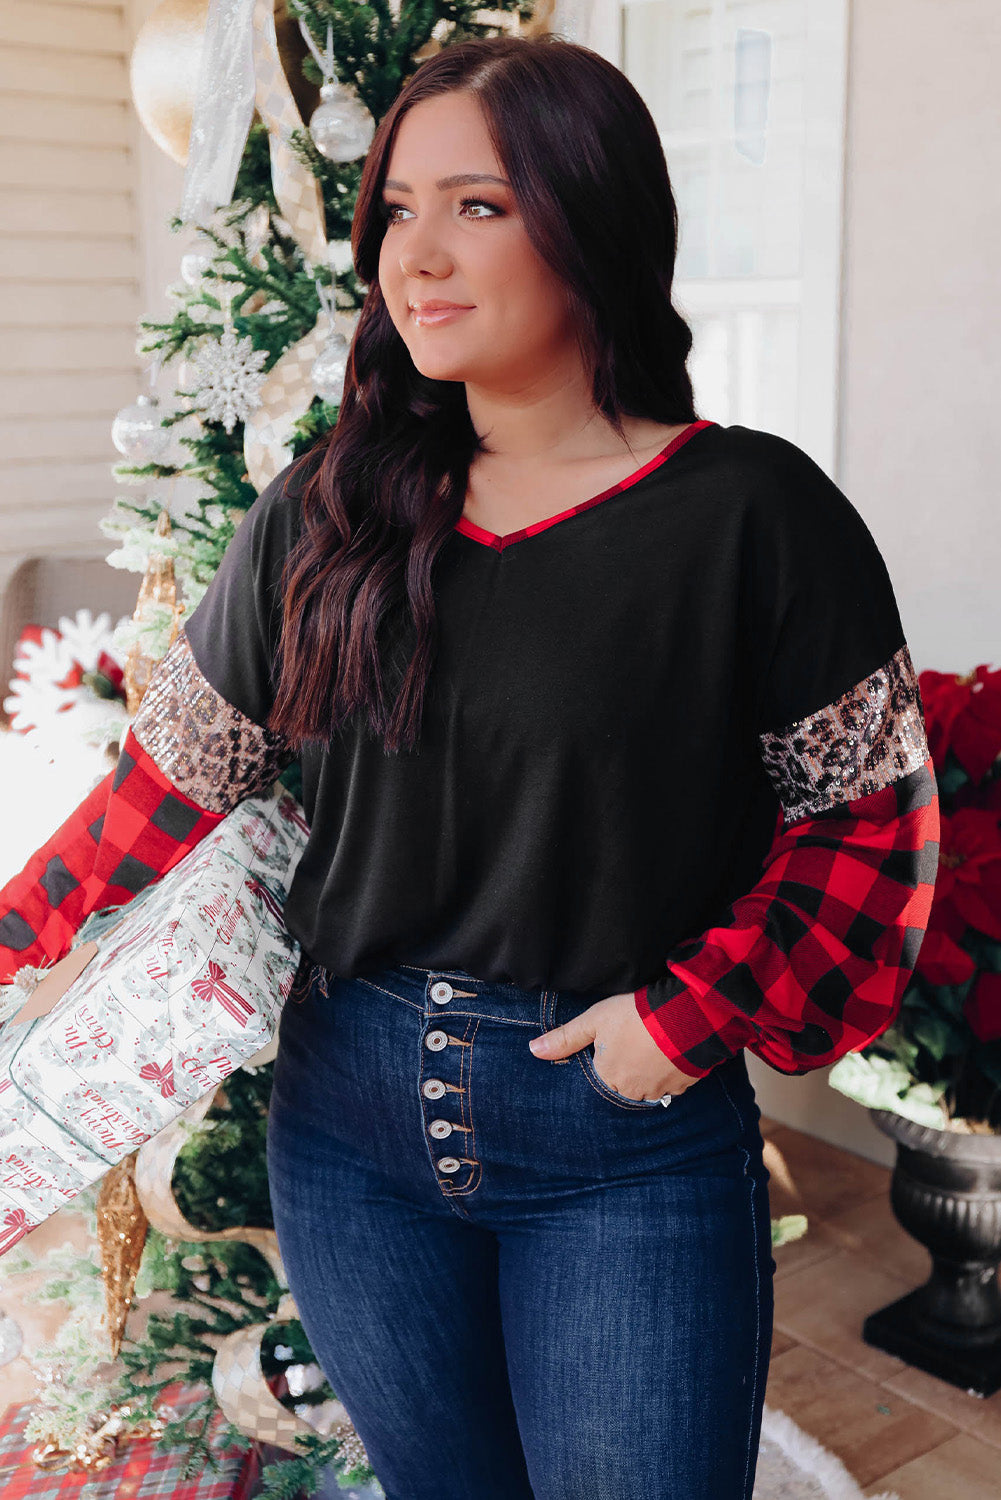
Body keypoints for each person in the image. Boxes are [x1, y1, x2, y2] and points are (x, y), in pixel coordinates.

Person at [0, 34, 939, 1500]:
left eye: (478, 207)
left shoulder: (752, 514)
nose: (414, 256)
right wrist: (9, 941)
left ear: (591, 218)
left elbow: (875, 830)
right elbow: (166, 781)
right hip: (346, 1128)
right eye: (394, 208)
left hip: (620, 1143)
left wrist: (689, 1018)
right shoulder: (330, 504)